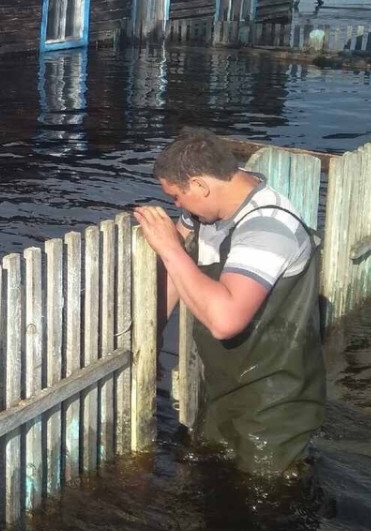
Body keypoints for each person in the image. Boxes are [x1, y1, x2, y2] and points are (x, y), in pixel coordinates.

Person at [133, 127, 326, 474]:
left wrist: (169, 247)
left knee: (266, 509)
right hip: (227, 389)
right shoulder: (208, 210)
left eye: (176, 195)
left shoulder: (267, 228)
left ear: (201, 186)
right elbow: (178, 277)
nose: (176, 205)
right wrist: (153, 336)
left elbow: (225, 321)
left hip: (273, 405)